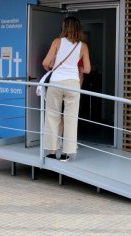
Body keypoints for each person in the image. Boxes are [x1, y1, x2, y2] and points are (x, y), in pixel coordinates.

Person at [42, 16, 91, 161]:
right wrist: (78, 68)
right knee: (71, 119)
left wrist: (54, 66)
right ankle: (66, 154)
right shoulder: (83, 46)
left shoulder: (57, 42)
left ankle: (51, 152)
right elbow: (87, 69)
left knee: (52, 116)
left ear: (65, 27)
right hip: (73, 83)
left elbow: (45, 62)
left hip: (56, 82)